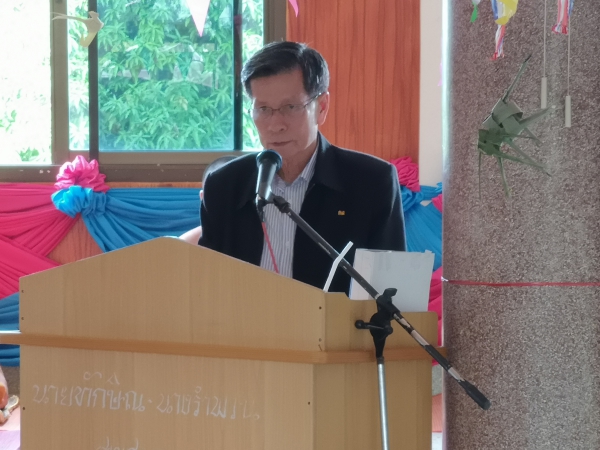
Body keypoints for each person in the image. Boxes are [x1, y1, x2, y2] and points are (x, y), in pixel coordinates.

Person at [199, 41, 406, 294]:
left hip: (335, 321)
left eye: (290, 107)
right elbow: (205, 289)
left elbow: (391, 294)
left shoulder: (372, 182)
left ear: (322, 107)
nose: (276, 125)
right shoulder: (224, 185)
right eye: (263, 109)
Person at [178, 156, 238, 244]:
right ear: (203, 198)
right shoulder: (184, 244)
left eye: (236, 195)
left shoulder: (258, 239)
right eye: (219, 195)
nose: (228, 204)